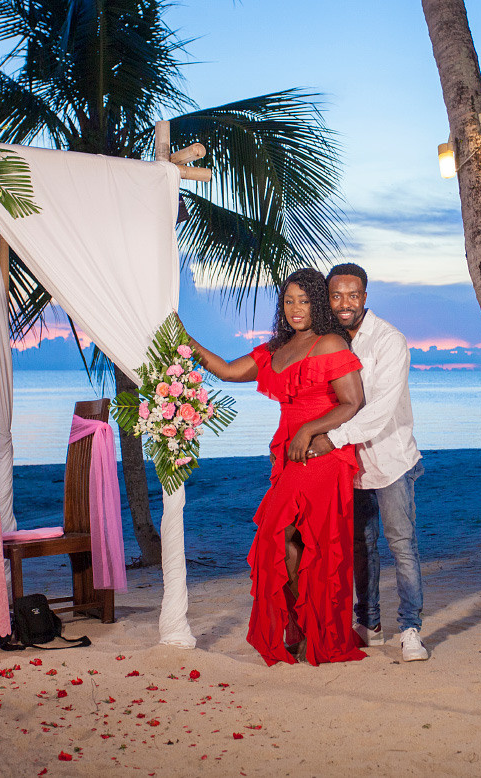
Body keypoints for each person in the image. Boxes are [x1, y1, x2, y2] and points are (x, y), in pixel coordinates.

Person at [187, 268, 367, 666]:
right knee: (290, 541)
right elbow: (229, 371)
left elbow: (353, 402)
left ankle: (318, 632)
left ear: (317, 304)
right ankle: (305, 627)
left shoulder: (329, 343)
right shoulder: (276, 350)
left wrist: (307, 431)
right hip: (290, 456)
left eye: (304, 301)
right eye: (288, 301)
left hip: (321, 454)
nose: (295, 309)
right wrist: (188, 342)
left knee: (293, 535)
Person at [307, 262, 429, 662]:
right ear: (328, 299)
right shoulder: (329, 341)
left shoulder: (389, 341)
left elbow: (377, 411)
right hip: (352, 464)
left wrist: (330, 438)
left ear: (365, 297)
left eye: (353, 295)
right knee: (361, 546)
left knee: (402, 546)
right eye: (336, 295)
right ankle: (369, 623)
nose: (345, 303)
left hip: (391, 458)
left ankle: (410, 629)